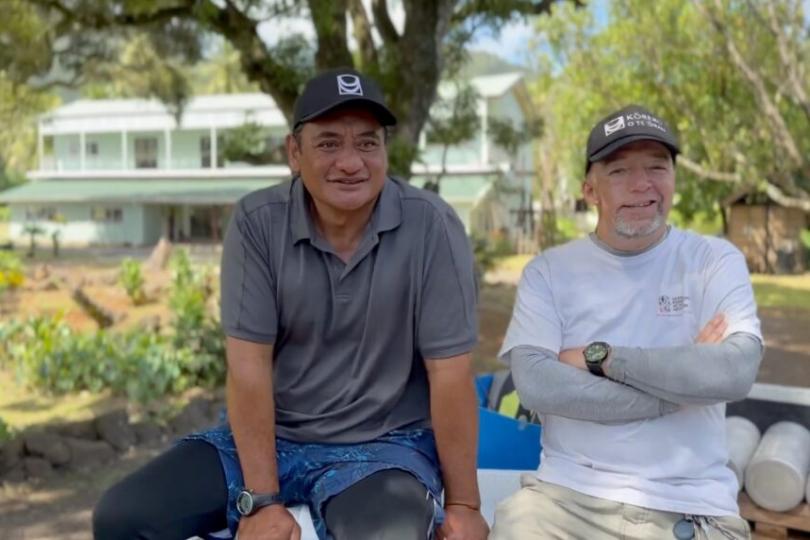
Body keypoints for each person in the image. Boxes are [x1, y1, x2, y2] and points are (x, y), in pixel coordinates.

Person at [93, 68, 489, 540]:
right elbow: (247, 366)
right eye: (328, 144)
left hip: (385, 445)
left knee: (391, 535)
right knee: (122, 518)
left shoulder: (433, 226)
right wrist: (260, 501)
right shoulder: (258, 223)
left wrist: (464, 504)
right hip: (272, 436)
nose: (350, 162)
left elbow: (450, 372)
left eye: (367, 143)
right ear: (294, 153)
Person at [490, 105, 763, 540]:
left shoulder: (713, 261)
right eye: (619, 171)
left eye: (657, 167)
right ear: (590, 189)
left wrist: (602, 358)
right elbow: (538, 384)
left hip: (689, 507)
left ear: (674, 179)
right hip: (562, 501)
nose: (642, 185)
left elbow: (735, 371)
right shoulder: (548, 272)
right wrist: (680, 388)